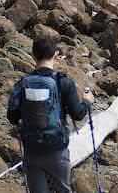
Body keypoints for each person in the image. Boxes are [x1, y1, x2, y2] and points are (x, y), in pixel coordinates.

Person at [7, 39, 94, 193]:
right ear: (56, 54)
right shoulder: (64, 82)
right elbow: (78, 114)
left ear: (33, 55)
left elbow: (12, 117)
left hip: (32, 149)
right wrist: (87, 102)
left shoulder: (23, 83)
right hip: (56, 149)